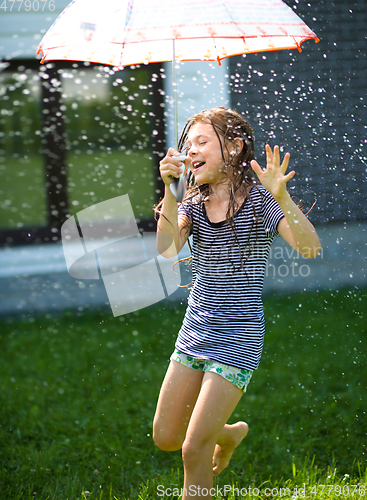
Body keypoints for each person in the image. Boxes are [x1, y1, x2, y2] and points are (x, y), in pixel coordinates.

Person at [152, 107, 321, 499]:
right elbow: (166, 248)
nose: (191, 151)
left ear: (234, 146)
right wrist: (170, 190)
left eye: (202, 141)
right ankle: (228, 433)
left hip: (238, 337)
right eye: (187, 143)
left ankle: (211, 438)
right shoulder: (191, 201)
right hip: (195, 330)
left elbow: (310, 249)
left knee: (193, 449)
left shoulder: (261, 201)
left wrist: (282, 197)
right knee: (165, 437)